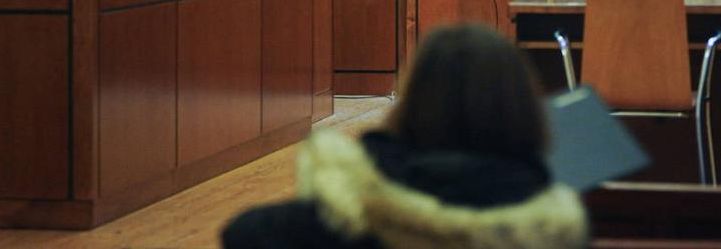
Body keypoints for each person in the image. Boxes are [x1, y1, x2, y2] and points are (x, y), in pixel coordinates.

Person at [221, 23, 587, 249]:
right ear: (522, 108)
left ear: (412, 101)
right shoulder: (555, 226)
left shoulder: (352, 215)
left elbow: (241, 233)